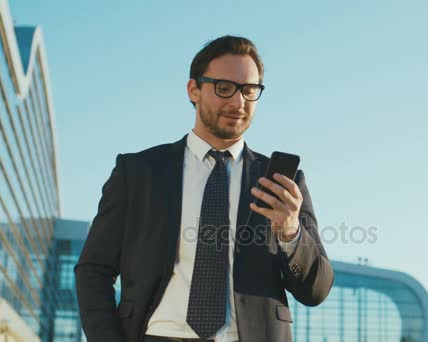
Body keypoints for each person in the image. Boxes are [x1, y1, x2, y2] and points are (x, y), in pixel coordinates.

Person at [75, 35, 334, 342]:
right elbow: (94, 269)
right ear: (193, 90)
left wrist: (290, 233)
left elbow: (316, 290)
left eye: (249, 91)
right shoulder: (138, 172)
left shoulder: (282, 184)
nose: (238, 103)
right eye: (224, 88)